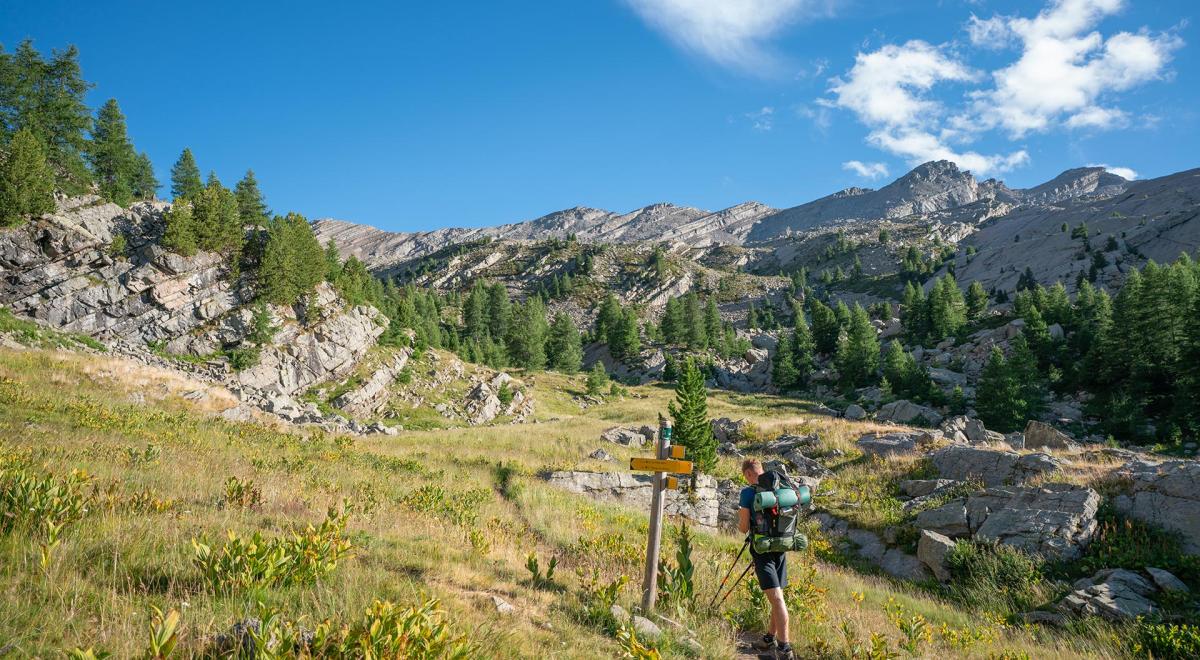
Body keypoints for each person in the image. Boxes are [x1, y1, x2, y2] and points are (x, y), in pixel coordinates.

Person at [738, 458, 793, 659]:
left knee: (776, 598)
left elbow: (743, 527)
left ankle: (784, 647)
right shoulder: (779, 489)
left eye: (745, 476)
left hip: (762, 550)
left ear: (748, 473)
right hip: (781, 546)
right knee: (778, 596)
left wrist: (745, 525)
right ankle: (769, 638)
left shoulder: (747, 493)